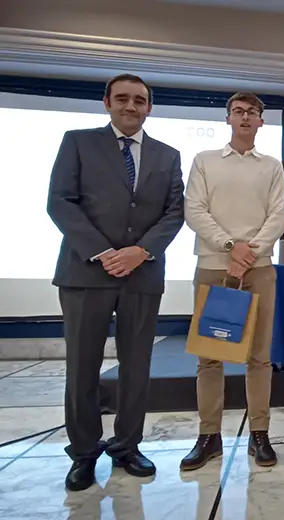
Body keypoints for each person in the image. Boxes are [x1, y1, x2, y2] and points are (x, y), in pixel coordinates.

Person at [47, 73, 185, 491]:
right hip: (86, 273)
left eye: (139, 100)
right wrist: (103, 252)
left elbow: (174, 212)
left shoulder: (168, 154)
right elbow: (60, 202)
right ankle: (84, 453)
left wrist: (139, 252)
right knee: (83, 368)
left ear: (149, 107)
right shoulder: (77, 142)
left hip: (142, 275)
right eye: (122, 98)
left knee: (137, 367)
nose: (130, 106)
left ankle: (127, 445)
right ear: (106, 102)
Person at [180, 92, 284, 470]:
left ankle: (260, 434)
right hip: (214, 265)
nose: (245, 117)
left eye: (252, 113)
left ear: (261, 121)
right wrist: (230, 246)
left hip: (258, 268)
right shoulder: (205, 161)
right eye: (238, 112)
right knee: (210, 357)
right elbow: (194, 209)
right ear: (228, 119)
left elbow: (279, 215)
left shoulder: (272, 166)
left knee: (260, 357)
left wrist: (249, 251)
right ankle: (208, 436)